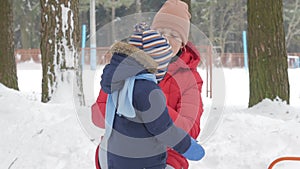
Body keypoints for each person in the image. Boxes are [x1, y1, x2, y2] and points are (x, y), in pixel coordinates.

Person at [92, 0, 204, 168]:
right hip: (122, 149)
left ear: (182, 44)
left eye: (174, 35)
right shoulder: (126, 68)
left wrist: (151, 106)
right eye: (160, 31)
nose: (166, 38)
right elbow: (97, 116)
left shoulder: (190, 79)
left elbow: (191, 130)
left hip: (168, 156)